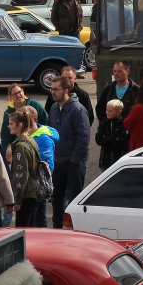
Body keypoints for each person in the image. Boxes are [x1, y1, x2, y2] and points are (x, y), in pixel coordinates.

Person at [47, 77, 91, 228]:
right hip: (58, 162)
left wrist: (74, 161)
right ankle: (57, 228)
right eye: (51, 89)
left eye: (56, 89)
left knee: (73, 199)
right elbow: (51, 132)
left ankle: (74, 229)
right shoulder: (54, 108)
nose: (52, 92)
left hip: (74, 164)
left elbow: (83, 138)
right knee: (56, 198)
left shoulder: (77, 109)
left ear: (66, 90)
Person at [4, 111, 45, 229]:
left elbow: (21, 176)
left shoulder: (21, 147)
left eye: (11, 124)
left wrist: (18, 201)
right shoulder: (30, 140)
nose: (8, 126)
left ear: (20, 125)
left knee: (23, 231)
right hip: (33, 193)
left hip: (27, 197)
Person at [95, 60, 135, 169]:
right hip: (109, 146)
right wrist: (105, 123)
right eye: (114, 71)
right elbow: (99, 108)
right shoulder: (109, 89)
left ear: (127, 71)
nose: (116, 74)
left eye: (119, 71)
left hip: (127, 143)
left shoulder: (135, 90)